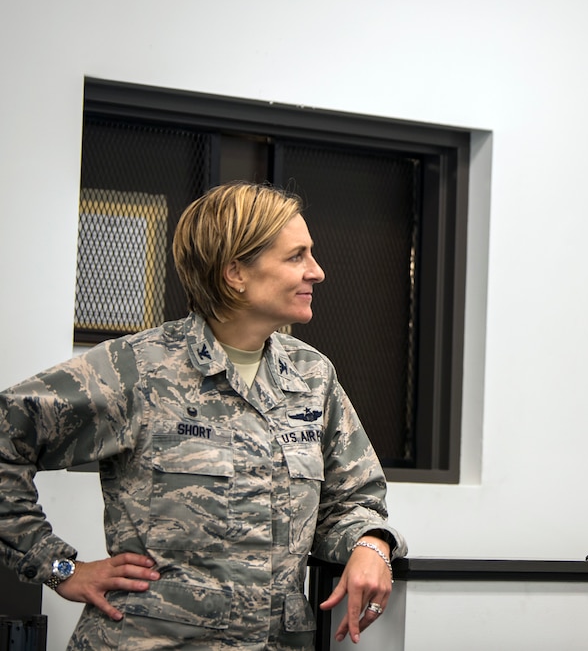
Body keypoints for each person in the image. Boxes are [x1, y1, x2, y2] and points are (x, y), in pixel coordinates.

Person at [0, 182, 406, 649]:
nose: (317, 271)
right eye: (296, 256)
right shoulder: (137, 370)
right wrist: (58, 567)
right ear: (236, 272)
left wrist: (372, 544)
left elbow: (353, 498)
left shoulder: (311, 375)